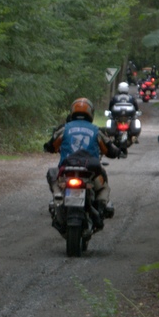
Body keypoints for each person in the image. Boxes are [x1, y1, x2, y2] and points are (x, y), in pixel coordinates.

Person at [43, 98, 122, 230]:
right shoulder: (96, 130)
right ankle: (101, 207)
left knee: (52, 173)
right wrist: (117, 152)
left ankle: (57, 195)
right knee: (103, 187)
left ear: (72, 111)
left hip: (67, 170)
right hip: (90, 169)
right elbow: (109, 150)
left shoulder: (64, 128)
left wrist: (49, 147)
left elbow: (51, 145)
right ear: (91, 113)